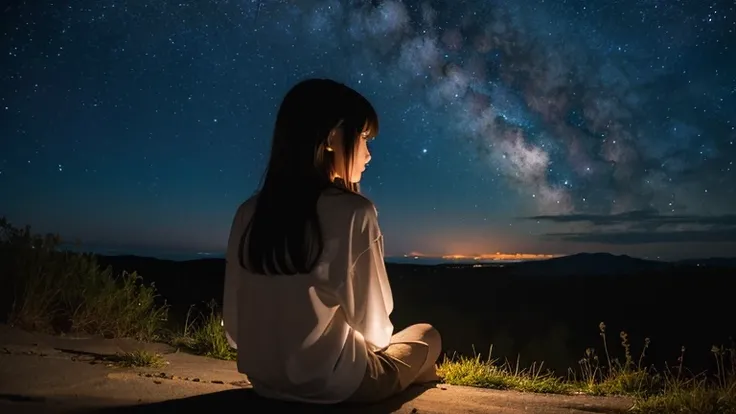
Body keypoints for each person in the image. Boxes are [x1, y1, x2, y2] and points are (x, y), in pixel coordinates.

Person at [222, 78, 442, 404]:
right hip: (337, 386)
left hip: (264, 382)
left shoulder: (248, 212)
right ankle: (412, 376)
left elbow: (234, 331)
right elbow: (377, 332)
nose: (368, 154)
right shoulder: (354, 212)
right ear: (330, 137)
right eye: (364, 138)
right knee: (427, 335)